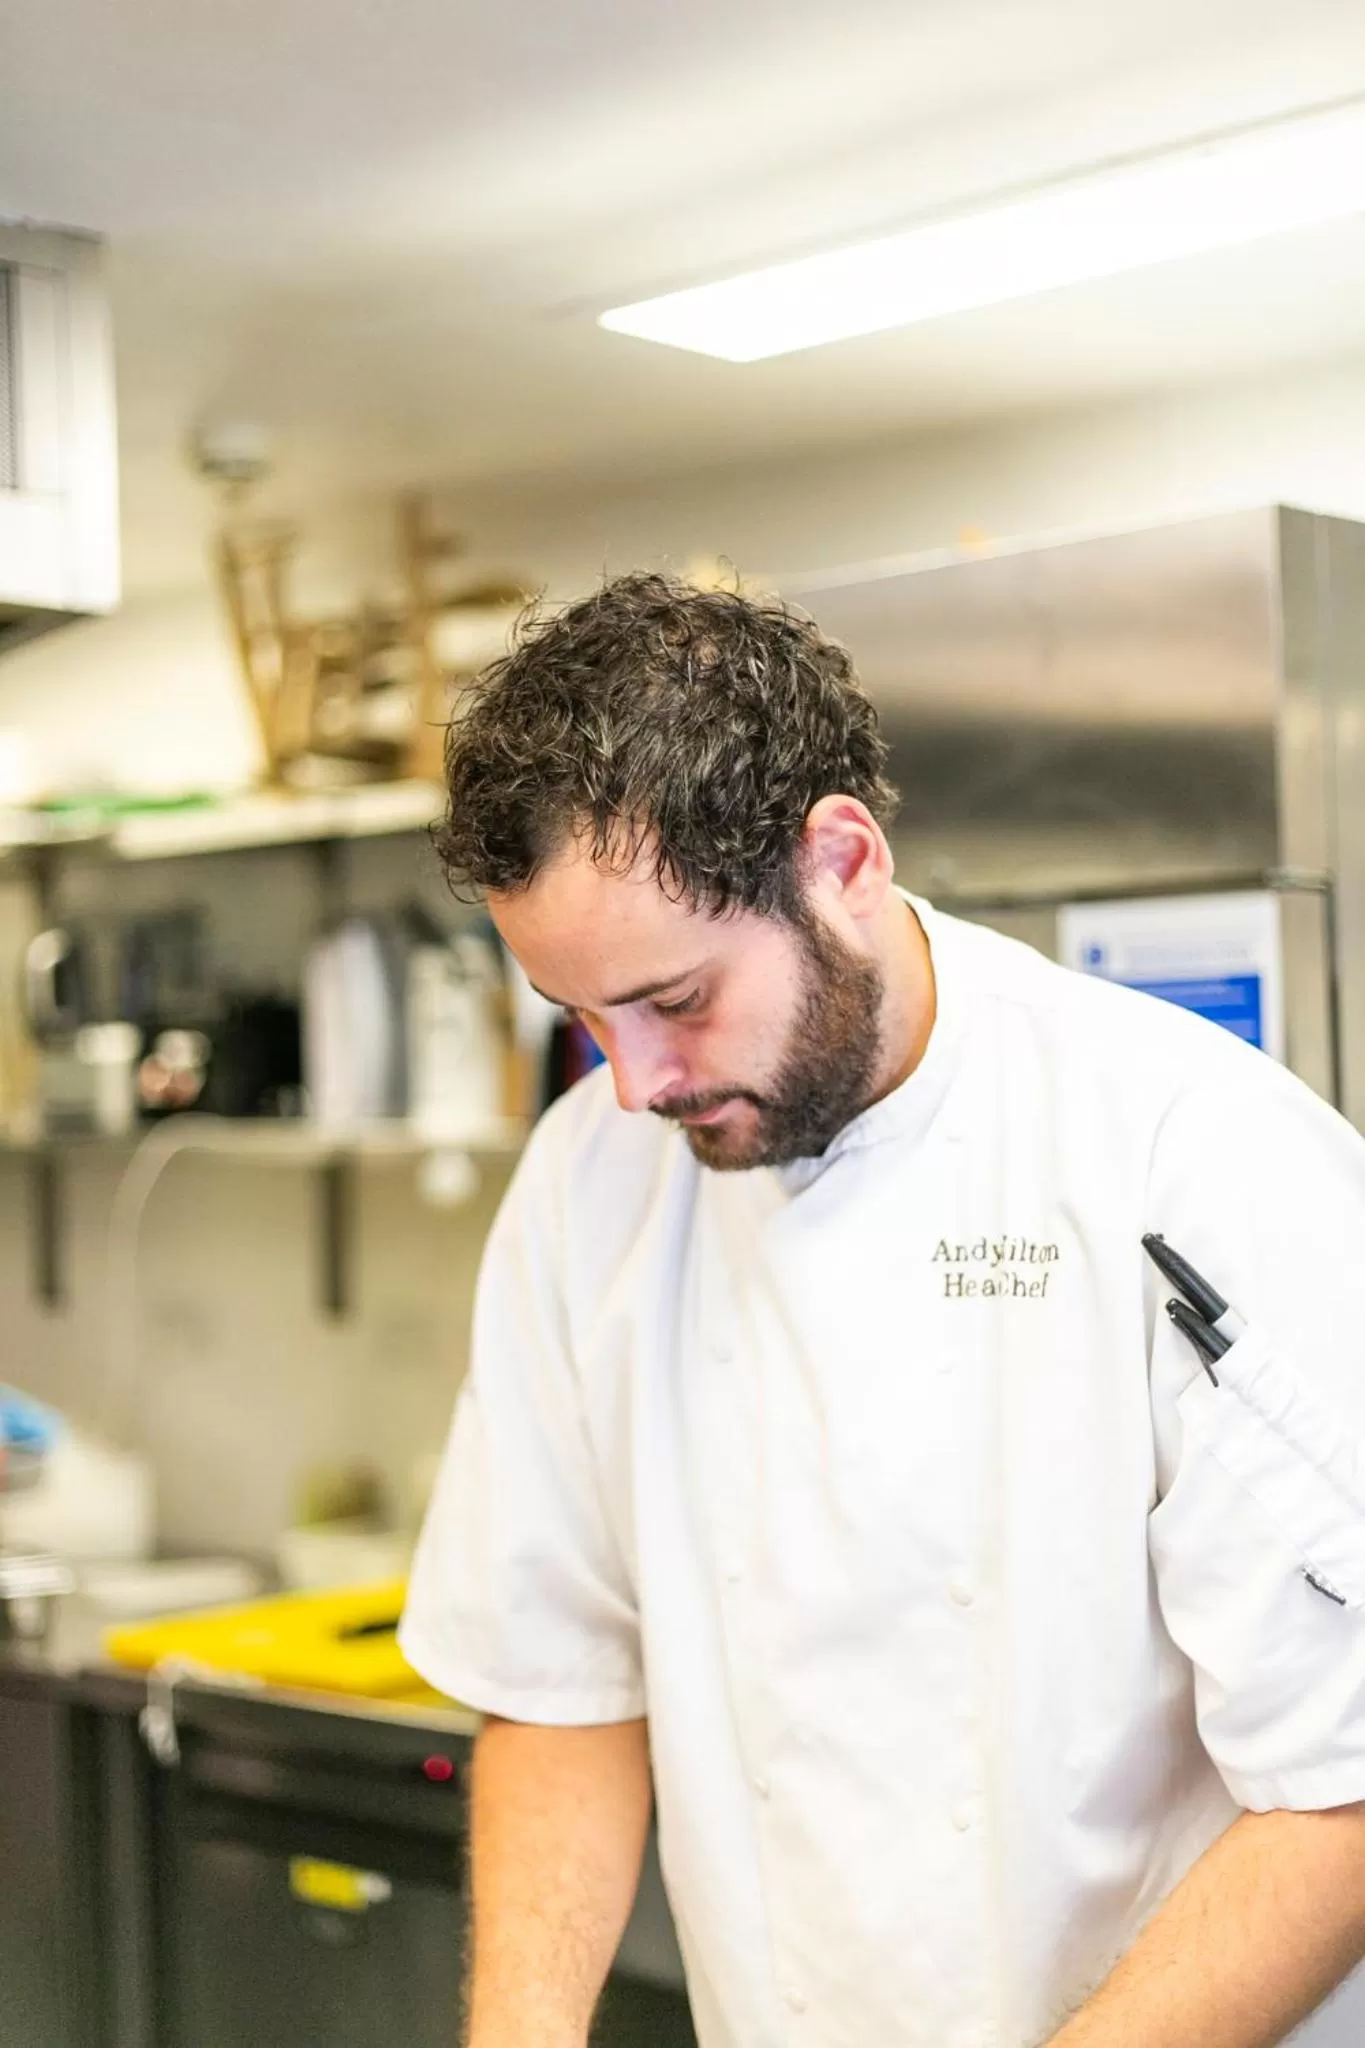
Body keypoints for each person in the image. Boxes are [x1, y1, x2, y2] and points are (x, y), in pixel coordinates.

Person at [399, 571, 1365, 2048]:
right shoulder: (590, 1179)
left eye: (676, 1000)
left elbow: (1341, 1785)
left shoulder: (1188, 1151)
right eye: (585, 1019)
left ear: (840, 861)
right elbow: (558, 1679)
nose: (635, 1082)